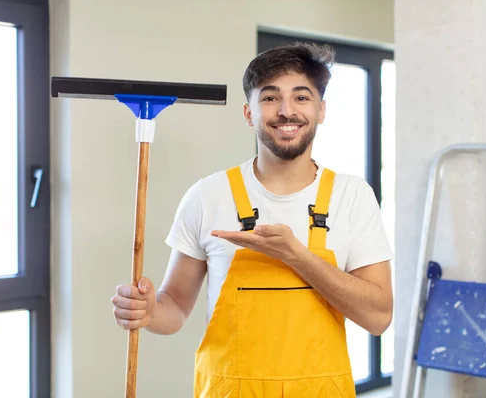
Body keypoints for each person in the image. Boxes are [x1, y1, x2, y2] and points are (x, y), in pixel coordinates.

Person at [111, 42, 394, 397]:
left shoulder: (352, 197)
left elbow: (379, 318)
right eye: (270, 98)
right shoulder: (208, 195)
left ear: (322, 110)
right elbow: (176, 309)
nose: (286, 111)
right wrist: (148, 311)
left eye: (302, 98)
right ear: (249, 113)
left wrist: (296, 256)